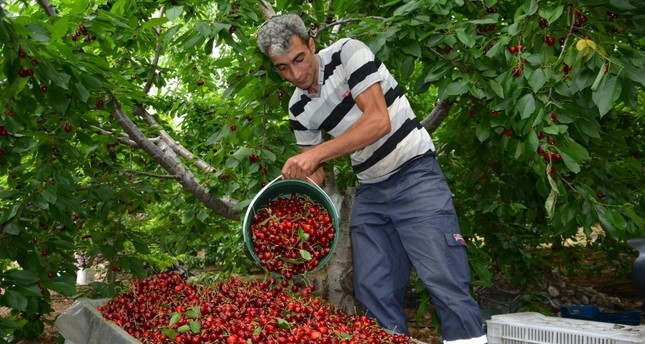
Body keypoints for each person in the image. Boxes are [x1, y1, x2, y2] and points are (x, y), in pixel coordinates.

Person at [257, 14, 488, 344]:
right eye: (282, 67)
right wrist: (291, 206)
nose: (296, 74)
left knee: (443, 279)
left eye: (299, 59)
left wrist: (315, 155)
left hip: (415, 173)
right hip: (372, 188)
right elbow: (316, 174)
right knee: (372, 290)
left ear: (311, 44)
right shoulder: (298, 108)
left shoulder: (349, 53)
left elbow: (378, 121)